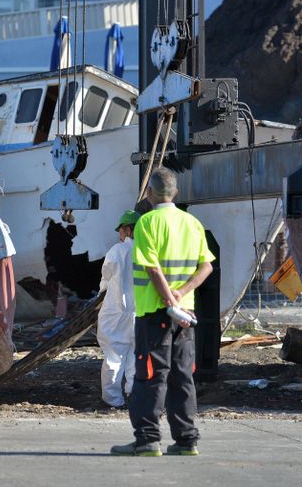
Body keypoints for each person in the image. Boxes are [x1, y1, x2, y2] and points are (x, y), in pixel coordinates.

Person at [111, 168, 214, 457]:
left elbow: (152, 268)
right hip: (184, 315)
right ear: (176, 193)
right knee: (182, 376)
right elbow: (207, 266)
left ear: (149, 194)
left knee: (150, 376)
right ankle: (186, 441)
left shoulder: (147, 224)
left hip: (156, 313)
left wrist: (169, 300)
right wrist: (182, 295)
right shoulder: (192, 224)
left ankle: (147, 440)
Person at [97, 210, 140, 408]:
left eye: (121, 231)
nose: (119, 235)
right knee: (134, 354)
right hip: (138, 311)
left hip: (116, 311)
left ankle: (113, 400)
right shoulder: (146, 251)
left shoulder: (117, 250)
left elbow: (107, 274)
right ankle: (133, 392)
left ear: (128, 230)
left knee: (114, 356)